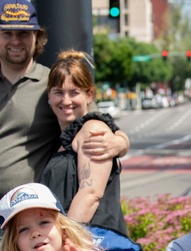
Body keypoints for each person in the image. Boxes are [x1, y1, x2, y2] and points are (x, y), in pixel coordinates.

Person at [0, 0, 129, 199]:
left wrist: (120, 143)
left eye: (23, 33)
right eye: (7, 33)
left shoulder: (54, 85)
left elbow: (100, 123)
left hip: (26, 216)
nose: (15, 41)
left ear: (37, 37)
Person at [39, 50, 127, 235]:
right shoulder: (65, 136)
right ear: (49, 95)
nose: (66, 100)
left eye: (74, 92)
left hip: (89, 246)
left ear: (89, 95)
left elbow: (90, 195)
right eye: (58, 92)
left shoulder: (92, 129)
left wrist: (64, 241)